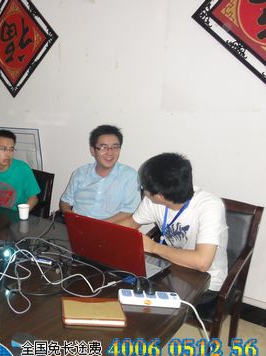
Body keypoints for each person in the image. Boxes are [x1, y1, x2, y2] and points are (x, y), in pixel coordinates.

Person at [120, 153, 228, 298]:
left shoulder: (210, 206)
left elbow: (202, 262)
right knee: (119, 282)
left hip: (205, 281)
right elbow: (132, 223)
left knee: (142, 301)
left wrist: (153, 247)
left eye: (143, 187)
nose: (143, 190)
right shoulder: (153, 200)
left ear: (160, 196)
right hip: (170, 267)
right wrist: (99, 233)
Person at [60, 125, 140, 223]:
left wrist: (97, 226)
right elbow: (65, 201)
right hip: (77, 225)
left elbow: (129, 211)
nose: (110, 153)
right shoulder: (80, 173)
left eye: (115, 147)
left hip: (109, 228)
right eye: (103, 147)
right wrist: (71, 217)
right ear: (93, 151)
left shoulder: (130, 176)